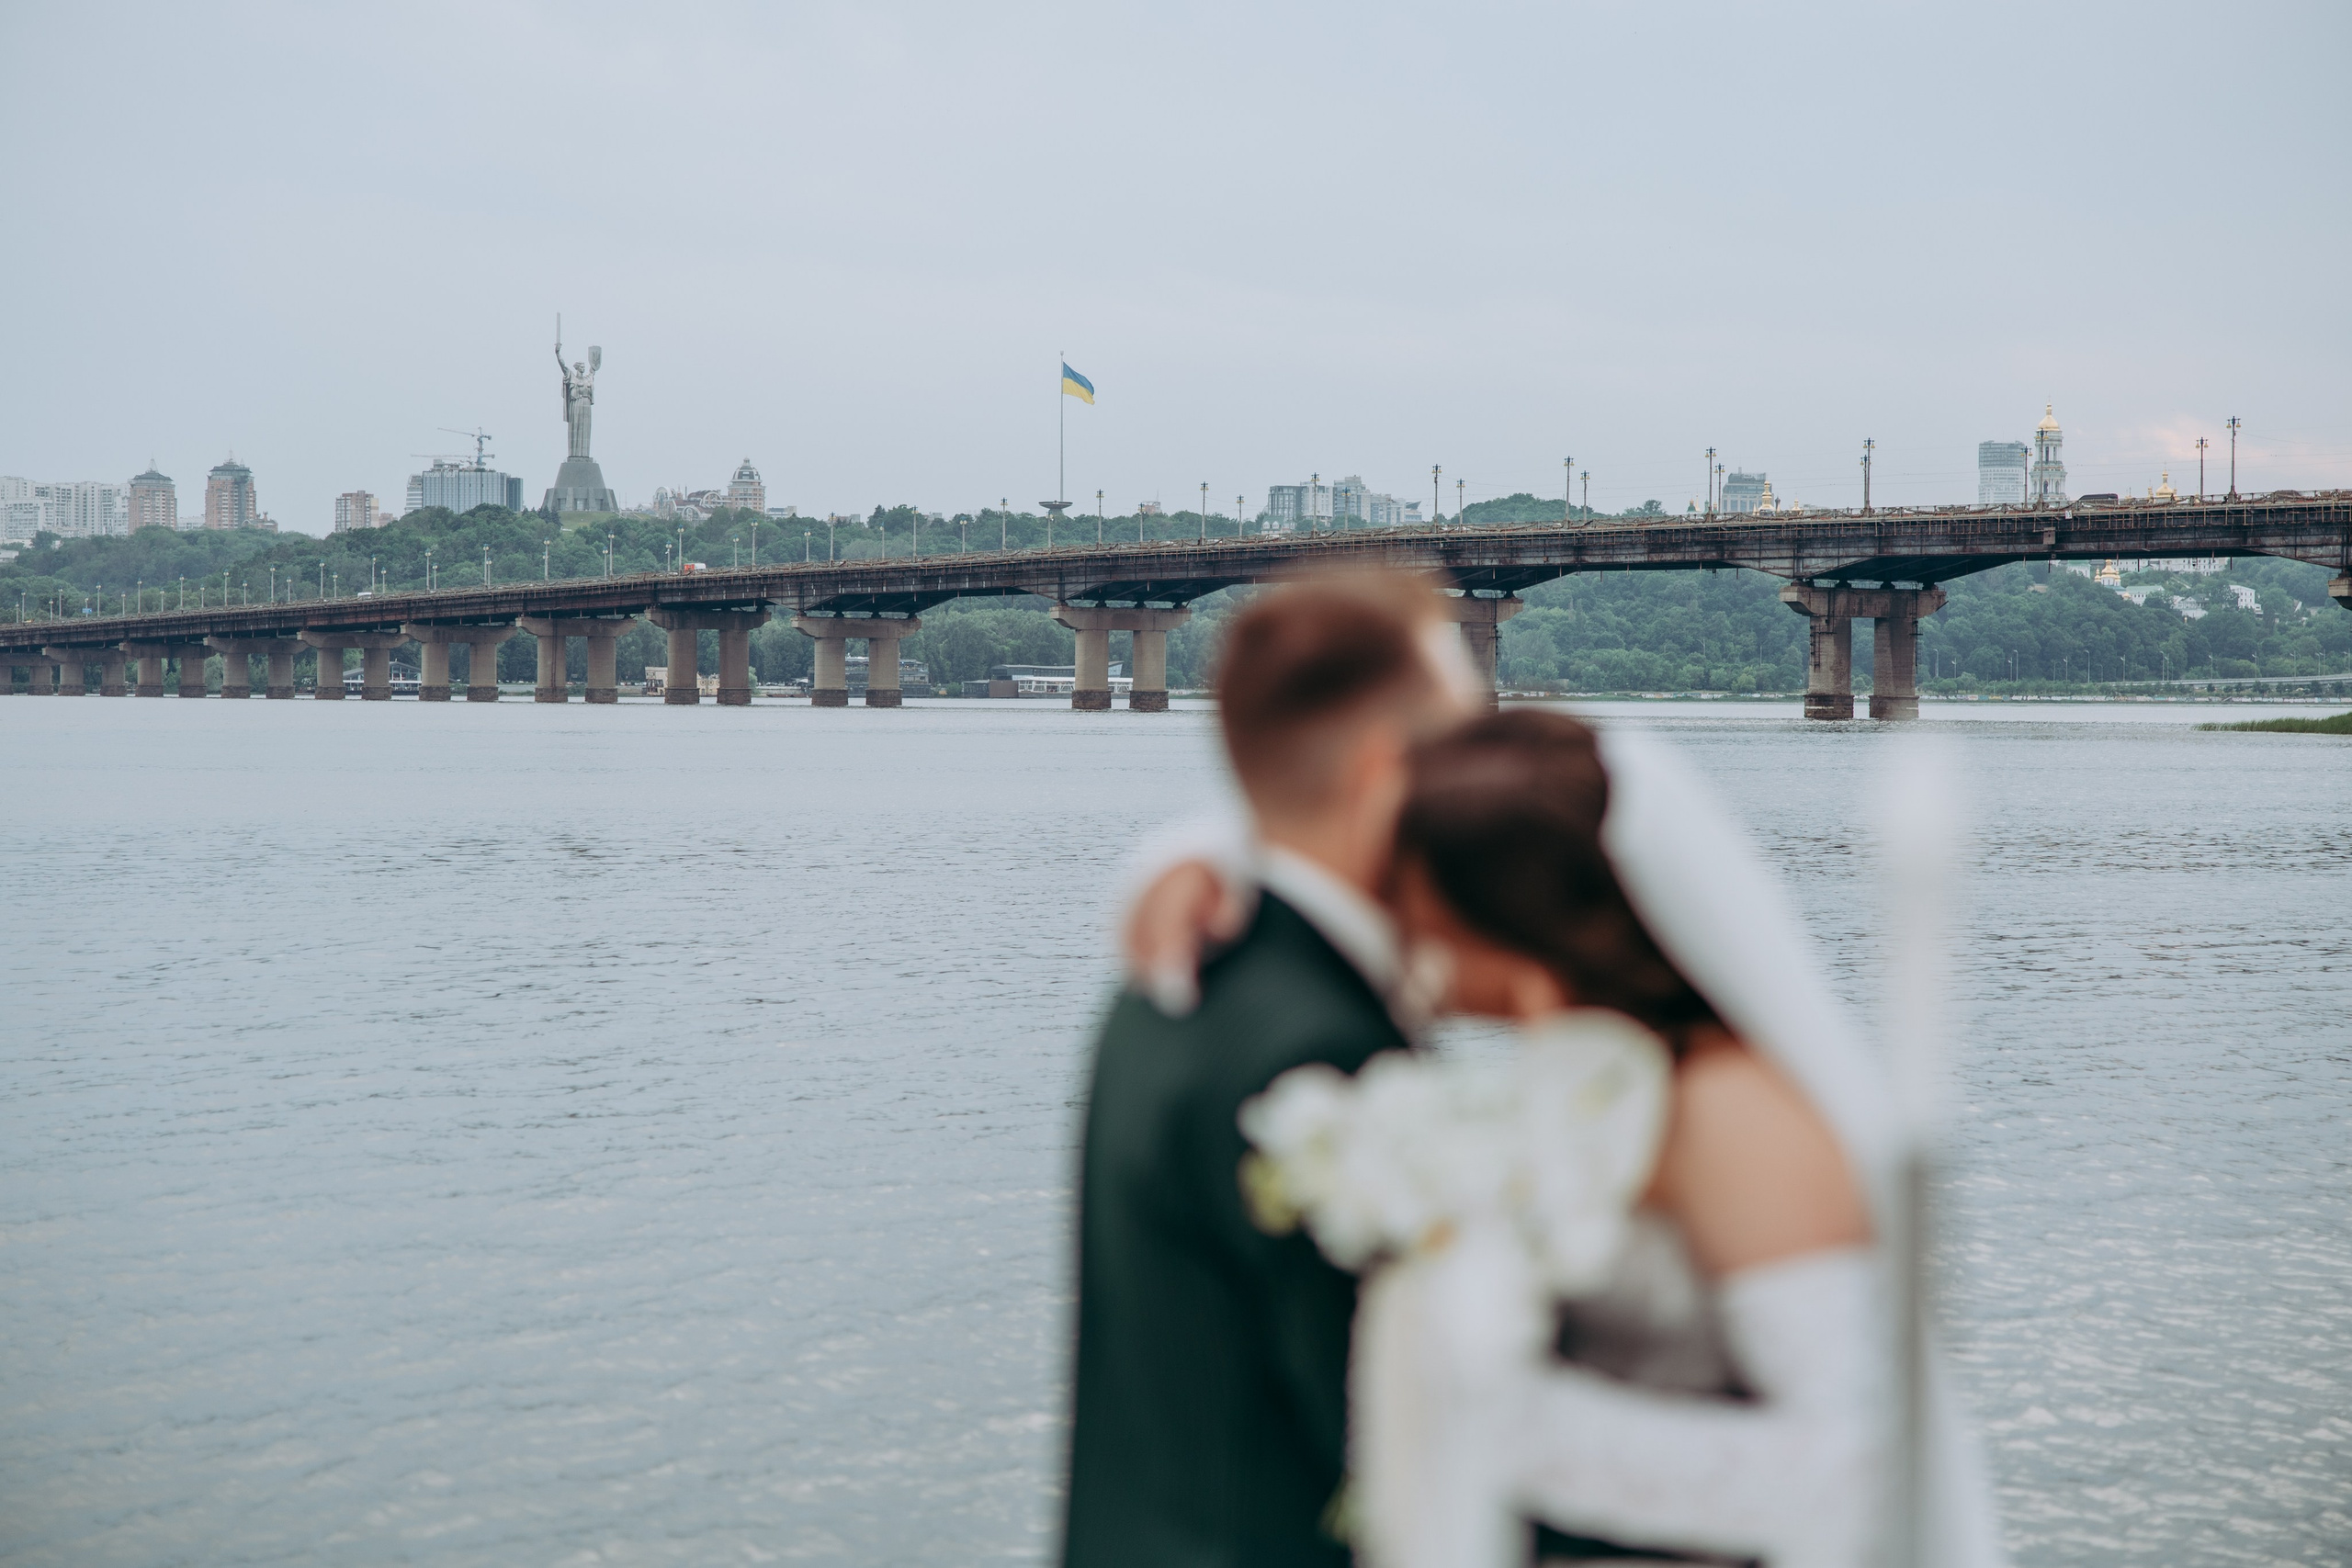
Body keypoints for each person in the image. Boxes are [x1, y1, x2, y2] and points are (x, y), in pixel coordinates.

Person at [1126, 708, 2007, 1567]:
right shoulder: (1586, 1075)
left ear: (1499, 915)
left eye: (1411, 886)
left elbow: (1861, 1470)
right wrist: (1196, 857)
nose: (1387, 905)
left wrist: (1512, 1425)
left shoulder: (1731, 1113)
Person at [1059, 573, 1479, 1568]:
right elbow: (1388, 1431)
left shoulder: (1155, 987)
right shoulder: (1319, 1053)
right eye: (1461, 748)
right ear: (1384, 774)